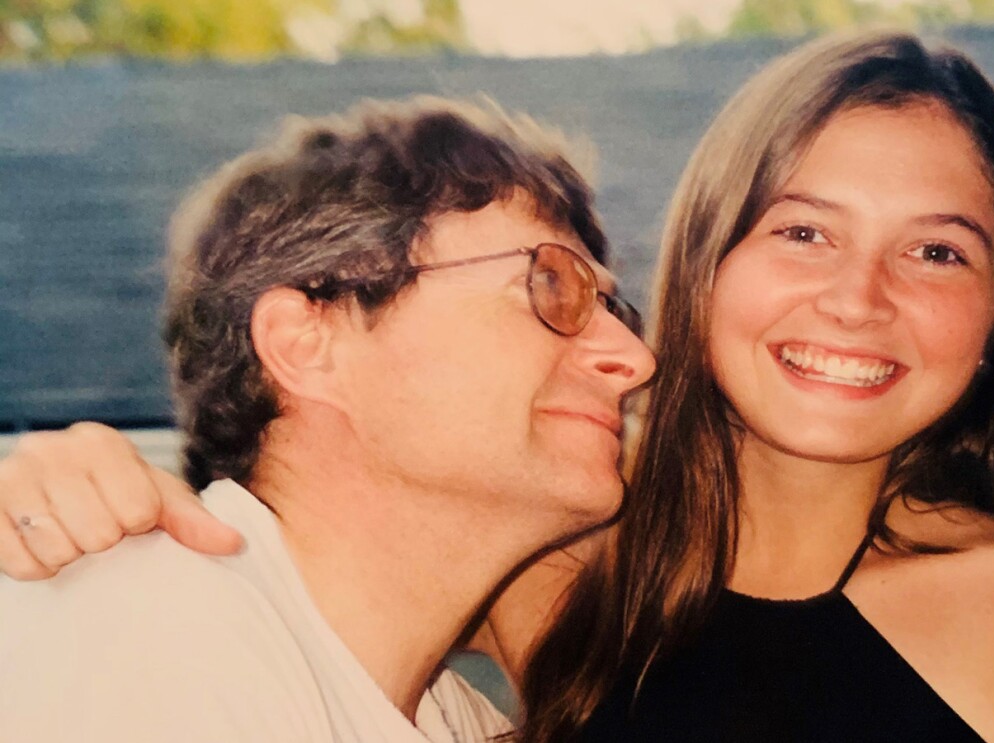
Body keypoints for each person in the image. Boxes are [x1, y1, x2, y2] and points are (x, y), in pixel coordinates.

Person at [0, 31, 994, 742]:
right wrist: (67, 482)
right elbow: (314, 526)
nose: (860, 298)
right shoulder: (558, 550)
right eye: (801, 232)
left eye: (937, 251)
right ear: (705, 259)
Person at [0, 95, 654, 742]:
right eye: (548, 285)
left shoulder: (452, 719)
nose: (634, 358)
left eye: (613, 311)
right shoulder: (156, 636)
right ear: (306, 345)